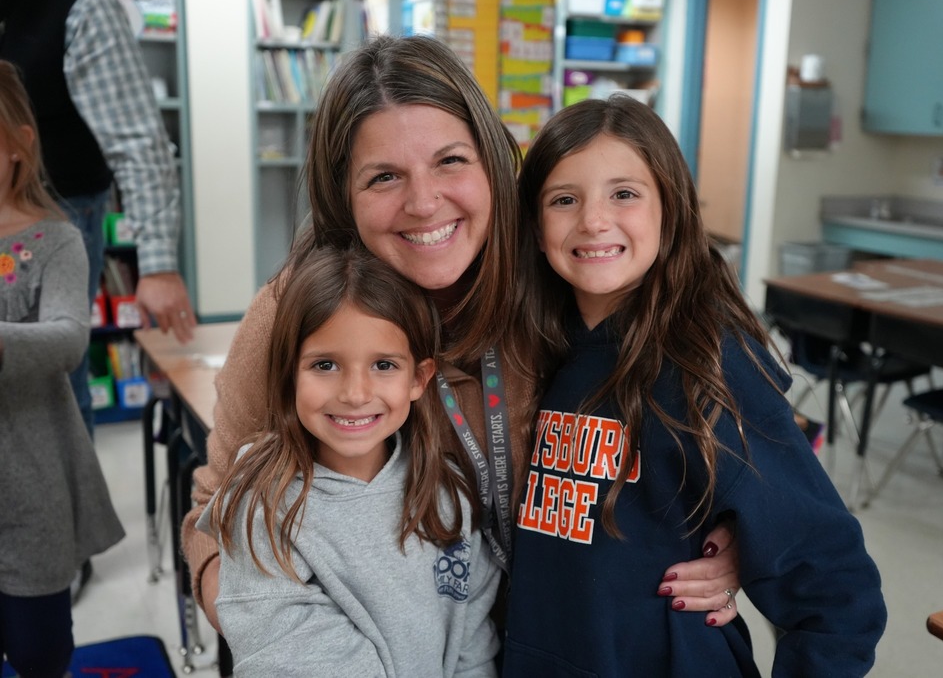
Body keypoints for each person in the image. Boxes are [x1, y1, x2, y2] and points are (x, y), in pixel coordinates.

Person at [182, 34, 742, 637]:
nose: (424, 203)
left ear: (493, 163)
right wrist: (280, 642)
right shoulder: (297, 313)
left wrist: (733, 536)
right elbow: (213, 519)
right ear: (344, 197)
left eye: (450, 161)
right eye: (384, 177)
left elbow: (702, 414)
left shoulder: (561, 272)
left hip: (573, 642)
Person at [501, 95, 887, 677]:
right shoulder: (533, 352)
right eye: (564, 199)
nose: (594, 220)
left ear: (671, 210)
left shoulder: (707, 362)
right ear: (534, 228)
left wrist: (749, 548)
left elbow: (834, 586)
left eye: (624, 194)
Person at [197, 246, 501, 676]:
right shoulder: (262, 501)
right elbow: (287, 655)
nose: (355, 394)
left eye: (383, 365)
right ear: (288, 374)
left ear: (419, 379)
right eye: (325, 365)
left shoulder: (448, 494)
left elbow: (474, 644)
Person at [0, 0, 197, 441]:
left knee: (54, 382)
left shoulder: (82, 7)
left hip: (59, 211)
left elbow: (138, 141)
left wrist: (158, 266)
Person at [0, 59, 125, 678]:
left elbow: (69, 338)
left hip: (30, 488)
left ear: (18, 146)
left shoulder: (55, 241)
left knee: (39, 650)